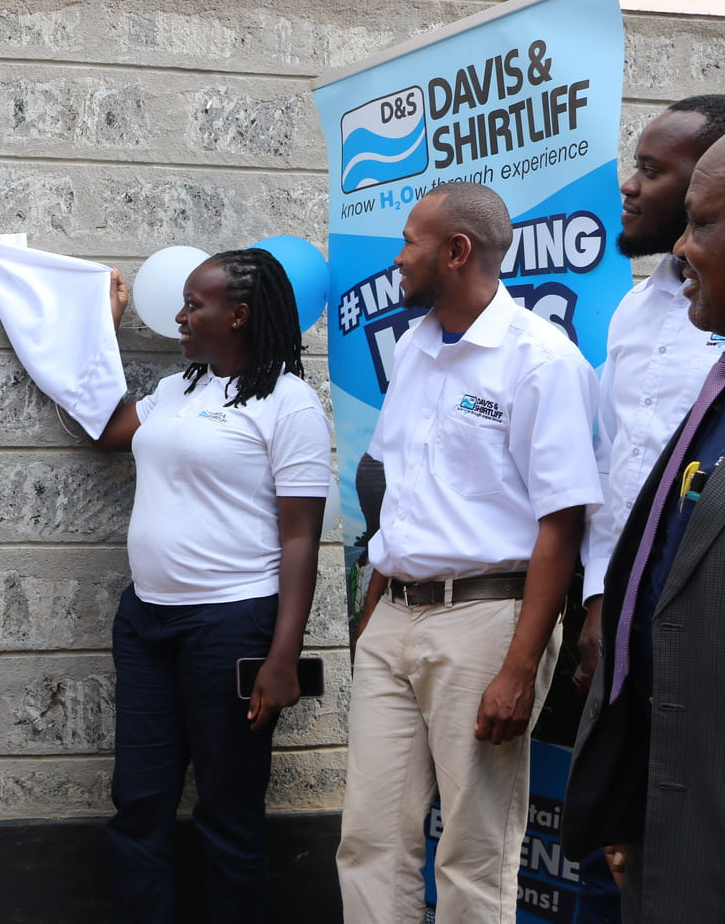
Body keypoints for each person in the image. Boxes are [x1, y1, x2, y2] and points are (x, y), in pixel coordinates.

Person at [335, 182, 601, 924]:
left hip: (487, 621)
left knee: (474, 852)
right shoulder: (417, 350)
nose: (398, 258)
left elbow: (561, 524)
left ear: (457, 252)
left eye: (410, 242)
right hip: (395, 618)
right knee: (368, 840)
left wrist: (521, 667)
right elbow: (399, 499)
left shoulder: (541, 358)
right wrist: (369, 616)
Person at [94, 248, 330, 923]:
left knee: (227, 810)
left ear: (240, 314)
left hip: (231, 628)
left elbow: (300, 538)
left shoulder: (290, 405)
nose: (182, 315)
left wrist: (283, 656)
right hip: (147, 624)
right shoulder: (177, 389)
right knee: (139, 802)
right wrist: (100, 335)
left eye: (196, 305)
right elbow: (109, 430)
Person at [571, 94, 725, 921]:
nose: (631, 187)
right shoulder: (636, 307)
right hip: (625, 620)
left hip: (698, 643)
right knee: (615, 841)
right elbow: (619, 468)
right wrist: (602, 602)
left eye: (654, 172)